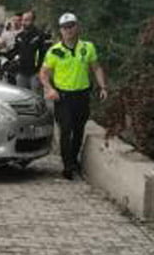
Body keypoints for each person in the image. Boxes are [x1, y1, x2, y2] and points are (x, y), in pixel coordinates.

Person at [39, 13, 108, 180]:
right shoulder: (54, 51)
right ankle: (67, 166)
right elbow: (43, 73)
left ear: (77, 27)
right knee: (66, 129)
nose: (68, 30)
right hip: (63, 97)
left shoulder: (87, 47)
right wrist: (50, 89)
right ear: (60, 30)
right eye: (65, 27)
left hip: (82, 95)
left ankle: (73, 160)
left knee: (78, 130)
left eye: (71, 26)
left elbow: (96, 68)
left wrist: (102, 86)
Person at [9, 11, 50, 93]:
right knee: (21, 97)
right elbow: (14, 51)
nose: (24, 22)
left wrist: (41, 71)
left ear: (33, 21)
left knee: (36, 98)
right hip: (21, 73)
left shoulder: (40, 35)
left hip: (35, 73)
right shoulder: (19, 36)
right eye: (23, 20)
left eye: (27, 20)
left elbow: (45, 54)